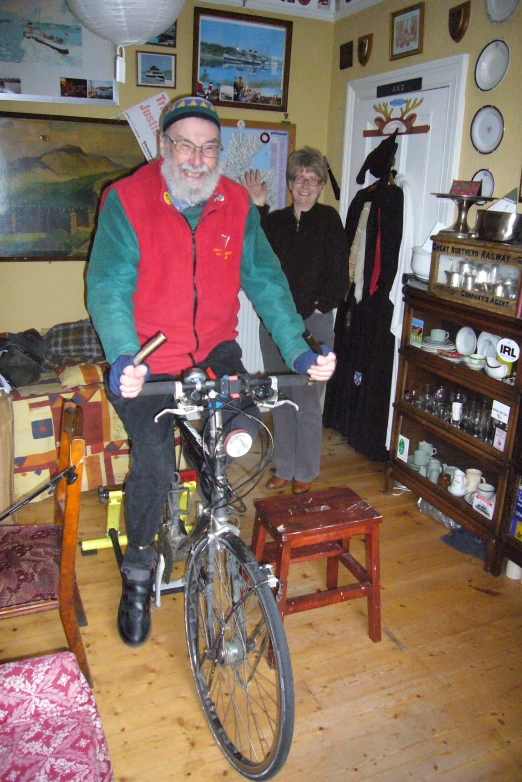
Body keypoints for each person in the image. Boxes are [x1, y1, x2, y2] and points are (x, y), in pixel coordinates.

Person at [86, 97, 336, 648]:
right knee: (152, 465)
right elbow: (108, 287)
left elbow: (266, 281)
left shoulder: (238, 203)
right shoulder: (125, 200)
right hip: (150, 359)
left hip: (214, 350)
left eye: (209, 147)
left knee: (238, 435)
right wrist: (125, 357)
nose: (197, 159)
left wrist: (298, 351)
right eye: (185, 145)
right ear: (164, 146)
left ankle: (217, 529)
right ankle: (138, 570)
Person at [241, 147, 349, 495]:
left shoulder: (329, 220)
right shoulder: (274, 221)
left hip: (313, 325)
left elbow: (339, 274)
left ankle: (306, 470)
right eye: (299, 178)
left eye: (312, 179)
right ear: (289, 183)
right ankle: (284, 467)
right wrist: (257, 205)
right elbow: (254, 252)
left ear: (320, 186)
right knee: (280, 399)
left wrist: (319, 308)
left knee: (307, 401)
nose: (305, 185)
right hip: (275, 327)